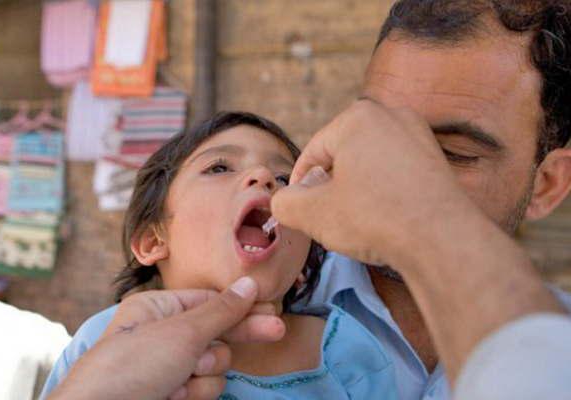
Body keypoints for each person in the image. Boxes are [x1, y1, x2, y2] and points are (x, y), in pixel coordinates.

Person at [48, 0, 571, 399]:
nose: (396, 176)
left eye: (453, 153)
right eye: (378, 136)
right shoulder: (122, 343)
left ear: (548, 183)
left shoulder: (555, 349)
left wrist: (432, 236)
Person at [42, 112, 398, 400]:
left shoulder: (347, 352)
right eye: (219, 168)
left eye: (283, 177)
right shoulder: (108, 341)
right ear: (153, 241)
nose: (262, 177)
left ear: (302, 264)